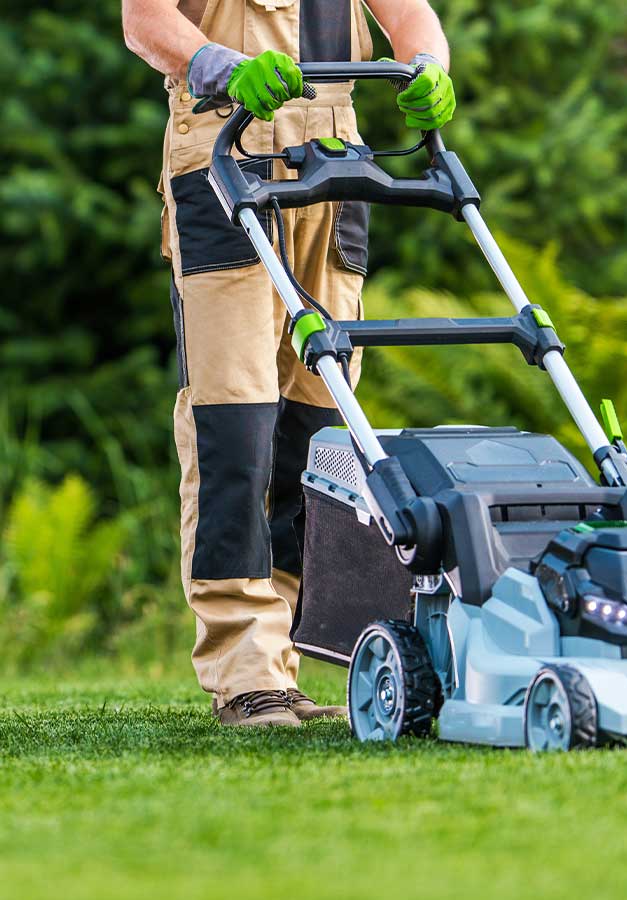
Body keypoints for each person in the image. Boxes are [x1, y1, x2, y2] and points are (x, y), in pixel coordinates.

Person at [122, 0, 455, 727]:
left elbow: (412, 17)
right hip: (222, 152)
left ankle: (286, 661)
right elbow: (143, 21)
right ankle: (245, 667)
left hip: (332, 167)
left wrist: (430, 65)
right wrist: (223, 67)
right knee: (234, 423)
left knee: (319, 429)